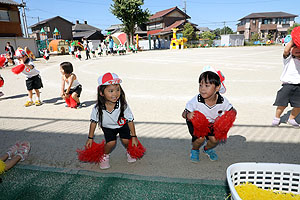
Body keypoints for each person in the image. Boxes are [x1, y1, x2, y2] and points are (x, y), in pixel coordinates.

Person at [182, 67, 236, 162]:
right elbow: (184, 113)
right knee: (200, 139)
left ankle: (207, 149)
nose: (202, 89)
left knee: (215, 140)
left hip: (212, 123)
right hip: (197, 122)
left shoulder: (222, 101)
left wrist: (228, 119)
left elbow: (232, 111)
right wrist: (188, 115)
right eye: (200, 85)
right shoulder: (196, 100)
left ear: (217, 88)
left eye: (207, 85)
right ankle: (195, 150)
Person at [85, 72, 139, 169]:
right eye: (111, 91)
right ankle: (105, 156)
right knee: (111, 143)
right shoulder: (97, 108)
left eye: (117, 90)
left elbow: (130, 120)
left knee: (127, 140)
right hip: (108, 127)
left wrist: (134, 136)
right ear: (101, 93)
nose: (115, 94)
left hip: (122, 125)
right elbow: (93, 122)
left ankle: (129, 151)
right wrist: (90, 138)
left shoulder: (123, 105)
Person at [272, 39, 300, 128]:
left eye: (299, 47)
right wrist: (294, 39)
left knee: (298, 105)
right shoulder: (288, 59)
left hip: (299, 86)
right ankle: (276, 118)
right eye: (294, 47)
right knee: (282, 104)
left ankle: (291, 119)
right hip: (287, 85)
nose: (297, 49)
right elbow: (286, 50)